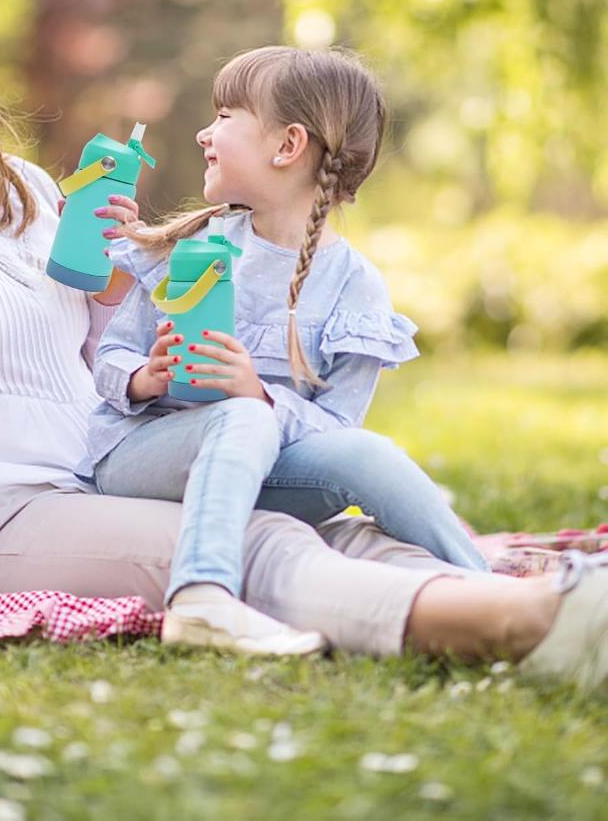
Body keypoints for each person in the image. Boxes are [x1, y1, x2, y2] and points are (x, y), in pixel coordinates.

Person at [0, 0, 607, 688]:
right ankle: (513, 629)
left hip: (95, 470)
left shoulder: (31, 193)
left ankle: (535, 599)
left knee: (327, 518)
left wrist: (139, 344)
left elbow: (90, 361)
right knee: (254, 546)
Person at [81, 47, 487, 654]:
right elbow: (110, 357)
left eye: (224, 115)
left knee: (368, 454)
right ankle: (202, 596)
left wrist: (260, 395)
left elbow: (335, 432)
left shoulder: (353, 285)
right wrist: (147, 377)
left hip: (263, 471)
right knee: (242, 418)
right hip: (141, 459)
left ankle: (487, 585)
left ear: (287, 145)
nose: (203, 132)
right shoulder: (189, 247)